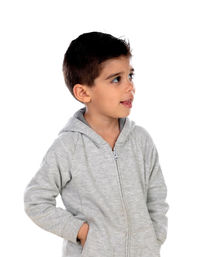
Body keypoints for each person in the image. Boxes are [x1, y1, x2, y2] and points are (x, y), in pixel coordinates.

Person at [23, 31, 169, 257]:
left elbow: (156, 196)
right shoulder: (68, 147)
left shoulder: (141, 140)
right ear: (83, 92)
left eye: (131, 75)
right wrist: (80, 232)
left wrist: (155, 237)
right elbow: (36, 200)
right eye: (116, 79)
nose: (129, 86)